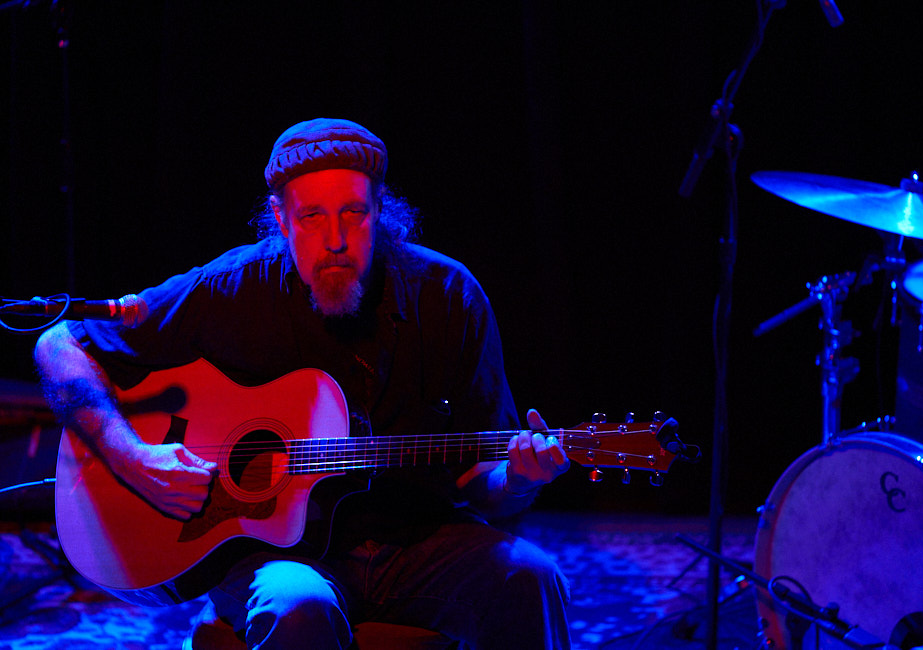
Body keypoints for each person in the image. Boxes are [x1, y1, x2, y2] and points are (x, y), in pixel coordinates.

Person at [34, 118, 572, 649]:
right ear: (281, 218)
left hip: (417, 543)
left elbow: (484, 481)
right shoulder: (230, 290)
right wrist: (131, 457)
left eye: (354, 215)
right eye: (312, 217)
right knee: (296, 605)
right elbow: (60, 343)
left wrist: (521, 478)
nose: (335, 240)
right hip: (279, 557)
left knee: (531, 576)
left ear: (380, 210)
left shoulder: (449, 297)